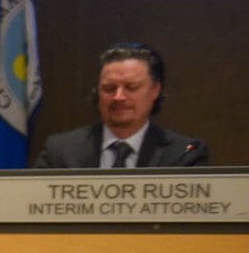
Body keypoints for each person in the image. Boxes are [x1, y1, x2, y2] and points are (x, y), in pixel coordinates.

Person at [34, 42, 208, 169]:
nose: (118, 97)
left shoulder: (183, 154)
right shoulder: (60, 151)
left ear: (155, 90)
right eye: (109, 88)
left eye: (131, 88)